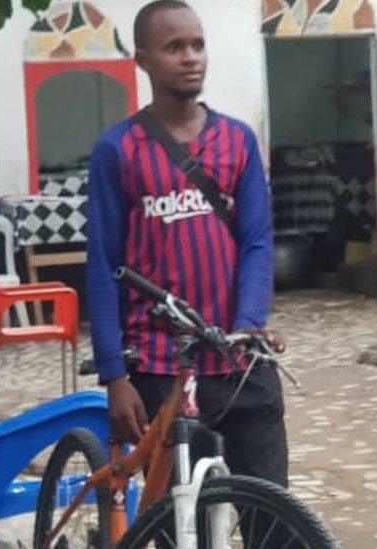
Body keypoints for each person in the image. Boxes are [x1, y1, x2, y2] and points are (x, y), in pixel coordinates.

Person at [85, 0, 289, 489]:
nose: (190, 57)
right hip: (162, 368)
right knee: (182, 520)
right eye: (174, 47)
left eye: (197, 45)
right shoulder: (117, 150)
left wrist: (248, 324)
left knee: (275, 516)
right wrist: (115, 376)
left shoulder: (237, 141)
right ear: (143, 61)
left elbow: (257, 242)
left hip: (242, 359)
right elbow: (103, 265)